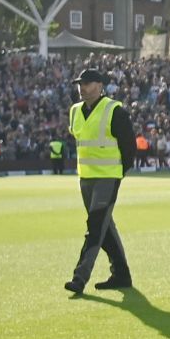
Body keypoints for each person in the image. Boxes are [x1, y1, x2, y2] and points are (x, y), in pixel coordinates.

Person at [64, 68, 137, 295]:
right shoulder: (75, 111)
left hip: (107, 177)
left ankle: (79, 277)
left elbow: (129, 147)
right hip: (86, 177)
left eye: (86, 83)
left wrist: (118, 173)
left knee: (95, 227)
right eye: (80, 84)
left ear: (99, 85)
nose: (82, 88)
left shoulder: (114, 110)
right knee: (105, 228)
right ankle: (121, 274)